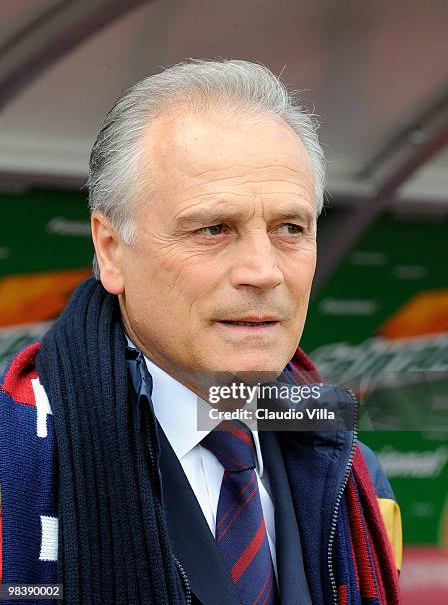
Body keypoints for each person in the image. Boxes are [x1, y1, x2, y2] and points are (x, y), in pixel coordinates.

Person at [0, 60, 402, 604]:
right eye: (213, 229)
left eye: (290, 228)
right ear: (110, 249)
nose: (263, 271)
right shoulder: (13, 462)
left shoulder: (355, 476)